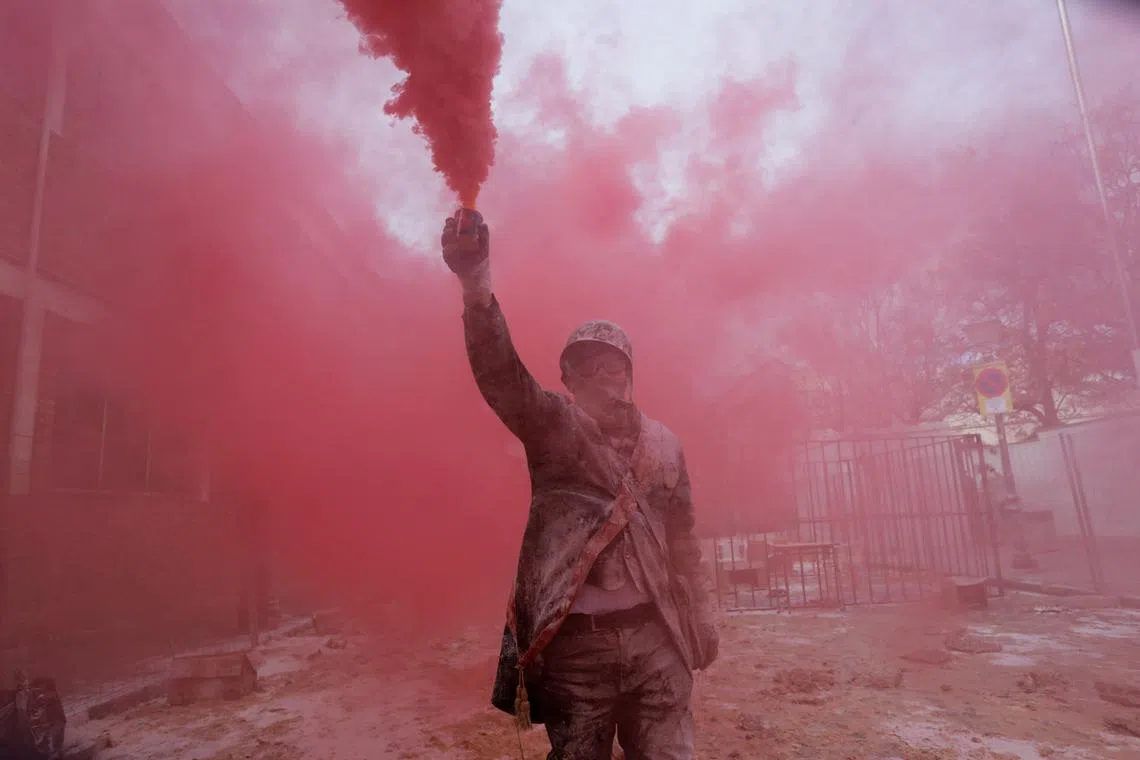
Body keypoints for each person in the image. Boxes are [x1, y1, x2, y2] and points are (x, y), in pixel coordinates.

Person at [441, 210, 718, 760]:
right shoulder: (554, 429)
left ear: (630, 371)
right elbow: (502, 376)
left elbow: (684, 539)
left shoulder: (664, 445)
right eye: (586, 366)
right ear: (567, 380)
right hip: (576, 654)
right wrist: (476, 284)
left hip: (656, 641)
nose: (602, 375)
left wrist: (702, 616)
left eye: (611, 364)